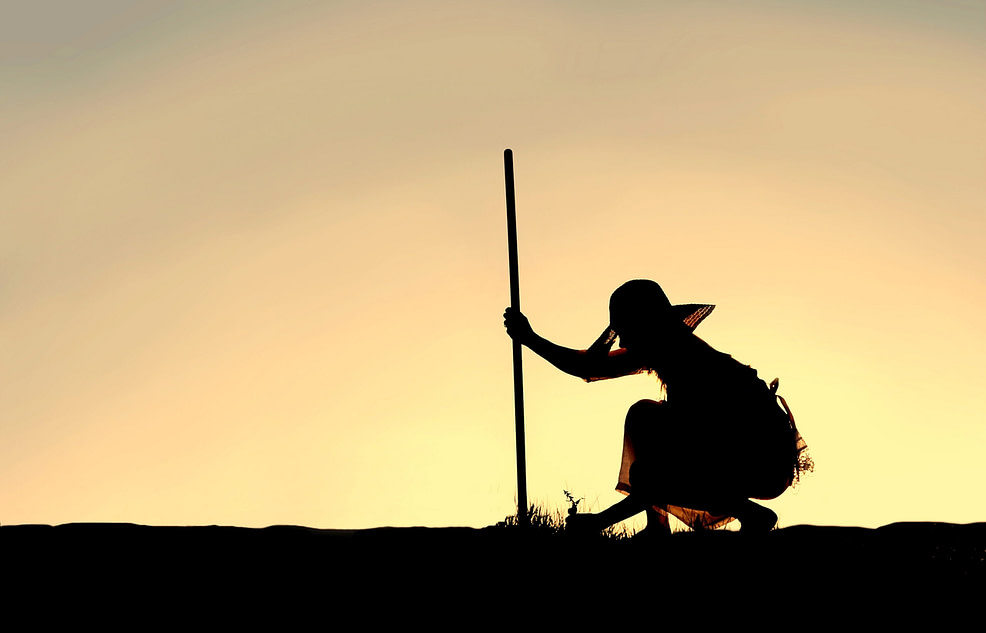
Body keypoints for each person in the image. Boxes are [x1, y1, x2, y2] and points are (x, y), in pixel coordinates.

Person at [502, 279, 810, 535]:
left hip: (760, 460)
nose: (621, 339)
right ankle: (657, 525)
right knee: (644, 418)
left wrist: (600, 521)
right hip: (738, 454)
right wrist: (530, 339)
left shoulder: (690, 367)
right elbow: (589, 367)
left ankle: (752, 514)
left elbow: (664, 474)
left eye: (625, 329)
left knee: (649, 463)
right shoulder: (667, 349)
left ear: (644, 326)